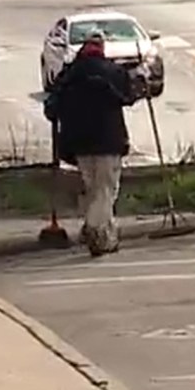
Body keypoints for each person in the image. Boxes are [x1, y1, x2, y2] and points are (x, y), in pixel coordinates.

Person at [44, 29, 136, 257]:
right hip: (108, 140)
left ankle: (103, 231)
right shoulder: (113, 72)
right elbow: (128, 95)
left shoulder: (69, 74)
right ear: (102, 49)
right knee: (106, 190)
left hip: (79, 144)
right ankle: (96, 230)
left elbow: (52, 107)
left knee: (94, 187)